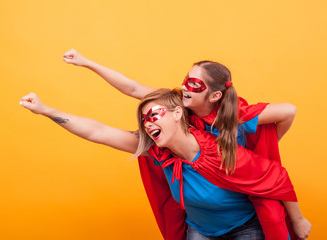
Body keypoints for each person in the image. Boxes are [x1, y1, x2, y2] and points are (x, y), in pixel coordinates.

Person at [61, 49, 311, 239]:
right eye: (185, 80)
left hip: (243, 202)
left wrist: (261, 147)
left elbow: (288, 111)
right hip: (201, 221)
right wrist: (86, 62)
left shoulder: (235, 117)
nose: (184, 87)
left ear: (214, 96)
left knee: (271, 217)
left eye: (193, 84)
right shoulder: (179, 108)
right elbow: (133, 87)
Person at [20, 89, 309, 240]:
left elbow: (275, 178)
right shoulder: (156, 152)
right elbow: (98, 131)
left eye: (154, 114)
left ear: (176, 114)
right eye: (144, 119)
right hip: (201, 231)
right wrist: (46, 110)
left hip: (246, 228)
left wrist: (296, 220)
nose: (148, 122)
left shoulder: (219, 147)